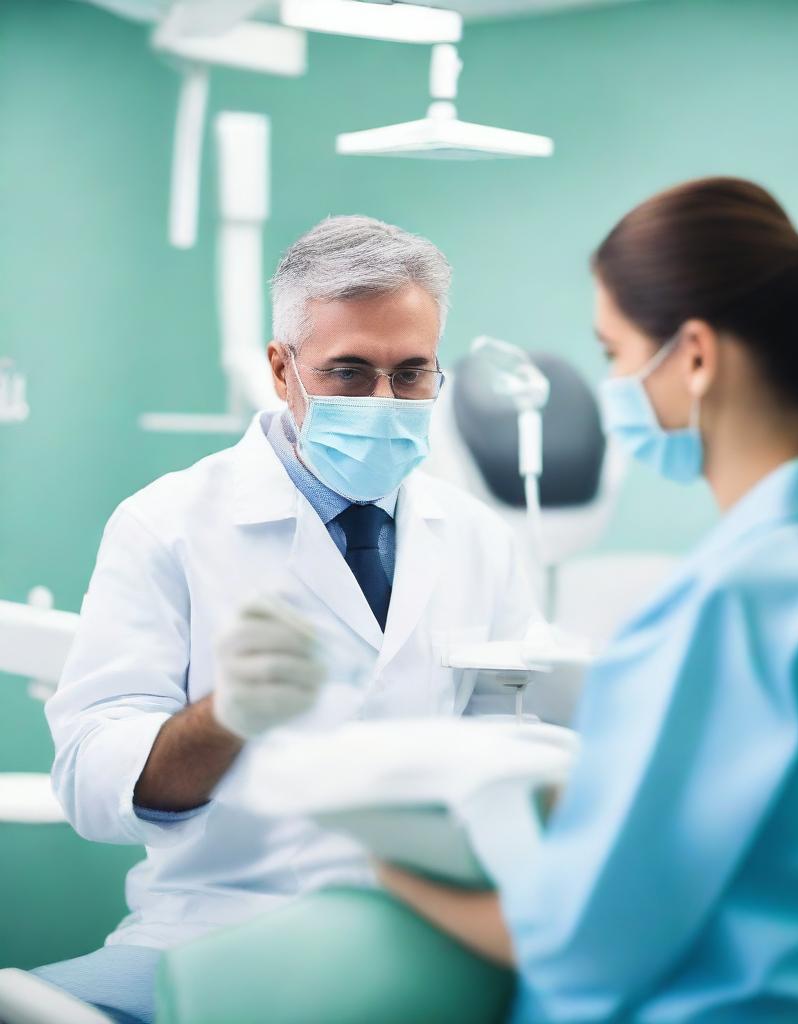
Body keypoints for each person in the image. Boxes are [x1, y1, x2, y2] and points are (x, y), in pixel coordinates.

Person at [378, 177, 798, 1022]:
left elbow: (580, 945)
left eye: (614, 353)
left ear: (695, 357)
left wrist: (379, 868)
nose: (615, 384)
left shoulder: (725, 604)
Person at [36, 216, 545, 1024]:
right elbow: (91, 786)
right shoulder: (165, 523)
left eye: (412, 374)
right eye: (349, 372)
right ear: (282, 369)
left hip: (424, 932)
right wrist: (226, 717)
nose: (385, 402)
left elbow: (516, 762)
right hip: (212, 928)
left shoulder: (479, 538)